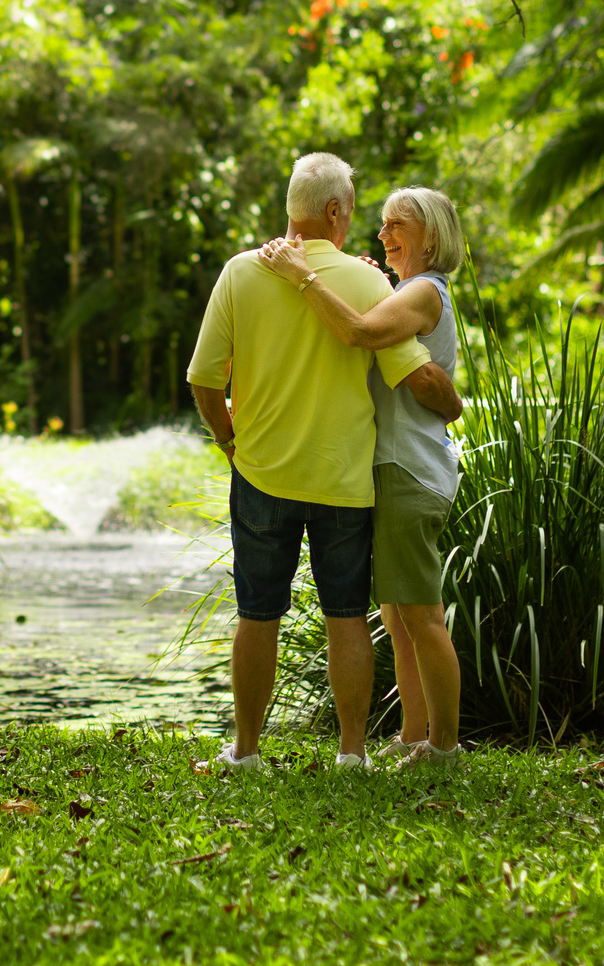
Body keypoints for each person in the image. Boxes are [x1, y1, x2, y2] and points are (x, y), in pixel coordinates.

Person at [187, 152, 463, 771]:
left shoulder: (239, 272)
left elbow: (204, 379)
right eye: (363, 214)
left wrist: (231, 442)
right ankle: (352, 753)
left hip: (262, 472)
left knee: (257, 614)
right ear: (335, 211)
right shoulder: (372, 285)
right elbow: (410, 373)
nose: (372, 230)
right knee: (348, 618)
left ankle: (248, 750)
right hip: (345, 481)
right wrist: (453, 402)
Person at [259, 186, 467, 768]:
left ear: (430, 235)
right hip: (396, 466)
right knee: (400, 615)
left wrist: (304, 276)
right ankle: (412, 735)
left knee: (422, 616)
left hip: (409, 466)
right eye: (379, 225)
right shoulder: (405, 289)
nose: (382, 234)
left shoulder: (425, 291)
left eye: (396, 224)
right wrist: (367, 279)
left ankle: (445, 747)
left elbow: (357, 332)